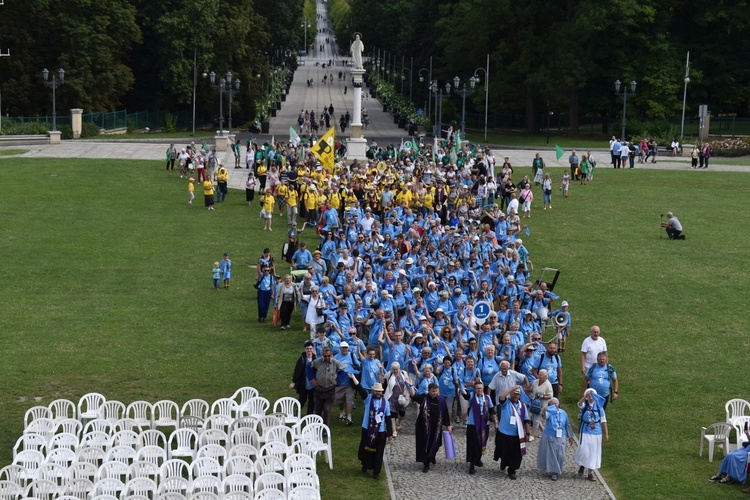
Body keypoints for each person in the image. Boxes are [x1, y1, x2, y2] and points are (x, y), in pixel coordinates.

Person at [493, 385, 531, 480]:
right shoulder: (506, 403)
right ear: (510, 394)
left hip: (516, 435)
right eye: (514, 394)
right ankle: (503, 462)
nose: (515, 396)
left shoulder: (522, 406)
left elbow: (526, 420)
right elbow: (501, 397)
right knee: (503, 451)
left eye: (517, 394)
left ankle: (512, 470)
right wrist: (512, 388)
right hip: (504, 433)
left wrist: (528, 433)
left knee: (515, 454)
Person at [413, 383, 452, 473]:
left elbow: (445, 413)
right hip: (425, 427)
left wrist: (448, 425)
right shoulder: (424, 398)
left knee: (437, 443)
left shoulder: (441, 400)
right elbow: (414, 396)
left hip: (437, 427)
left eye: (436, 391)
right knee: (427, 444)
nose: (435, 393)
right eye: (433, 391)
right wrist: (411, 386)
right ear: (429, 391)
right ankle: (426, 463)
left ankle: (432, 455)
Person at [358, 382, 393, 480]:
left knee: (379, 452)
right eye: (376, 391)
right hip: (367, 428)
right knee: (366, 448)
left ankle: (376, 472)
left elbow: (388, 417)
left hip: (380, 431)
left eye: (379, 391)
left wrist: (389, 433)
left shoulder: (385, 403)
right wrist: (353, 379)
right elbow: (360, 390)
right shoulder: (368, 399)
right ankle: (365, 464)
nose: (378, 393)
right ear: (373, 391)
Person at [461, 380, 496, 474]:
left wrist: (496, 422)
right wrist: (459, 384)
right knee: (473, 445)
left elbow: (492, 410)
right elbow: (465, 394)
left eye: (481, 388)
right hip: (473, 424)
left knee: (481, 443)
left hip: (484, 425)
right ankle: (472, 464)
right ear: (475, 389)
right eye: (477, 388)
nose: (479, 390)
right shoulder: (472, 396)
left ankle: (478, 458)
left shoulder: (487, 397)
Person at [574, 388, 609, 482]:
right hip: (585, 430)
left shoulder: (598, 406)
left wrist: (606, 433)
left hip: (596, 432)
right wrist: (585, 396)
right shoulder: (585, 405)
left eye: (591, 396)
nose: (590, 398)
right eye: (588, 396)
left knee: (593, 452)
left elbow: (603, 420)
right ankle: (582, 465)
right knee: (584, 450)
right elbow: (579, 404)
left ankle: (590, 472)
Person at [537, 398, 575, 481]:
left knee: (561, 455)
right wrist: (545, 409)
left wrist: (570, 437)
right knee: (552, 455)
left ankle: (557, 469)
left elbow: (567, 424)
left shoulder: (563, 413)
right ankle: (554, 472)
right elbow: (544, 416)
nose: (555, 405)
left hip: (561, 436)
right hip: (550, 436)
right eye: (553, 403)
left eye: (556, 403)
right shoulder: (549, 413)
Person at [311, 346, 349, 427]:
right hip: (319, 389)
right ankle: (317, 427)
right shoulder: (318, 362)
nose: (327, 357)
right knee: (318, 410)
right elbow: (309, 366)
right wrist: (312, 378)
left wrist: (338, 381)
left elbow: (344, 370)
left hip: (330, 390)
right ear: (322, 355)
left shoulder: (335, 362)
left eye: (329, 355)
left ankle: (325, 429)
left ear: (331, 355)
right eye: (325, 356)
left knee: (327, 410)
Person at [708, 422, 750, 488]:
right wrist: (747, 434)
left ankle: (728, 477)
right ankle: (719, 475)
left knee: (733, 456)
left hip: (748, 452)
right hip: (746, 449)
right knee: (729, 455)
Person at [289, 341, 316, 415]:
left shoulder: (315, 359)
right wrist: (294, 382)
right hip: (304, 383)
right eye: (307, 349)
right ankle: (296, 414)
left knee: (312, 401)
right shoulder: (302, 359)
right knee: (302, 399)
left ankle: (309, 416)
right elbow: (297, 371)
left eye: (310, 348)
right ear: (305, 349)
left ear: (312, 349)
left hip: (313, 383)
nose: (309, 350)